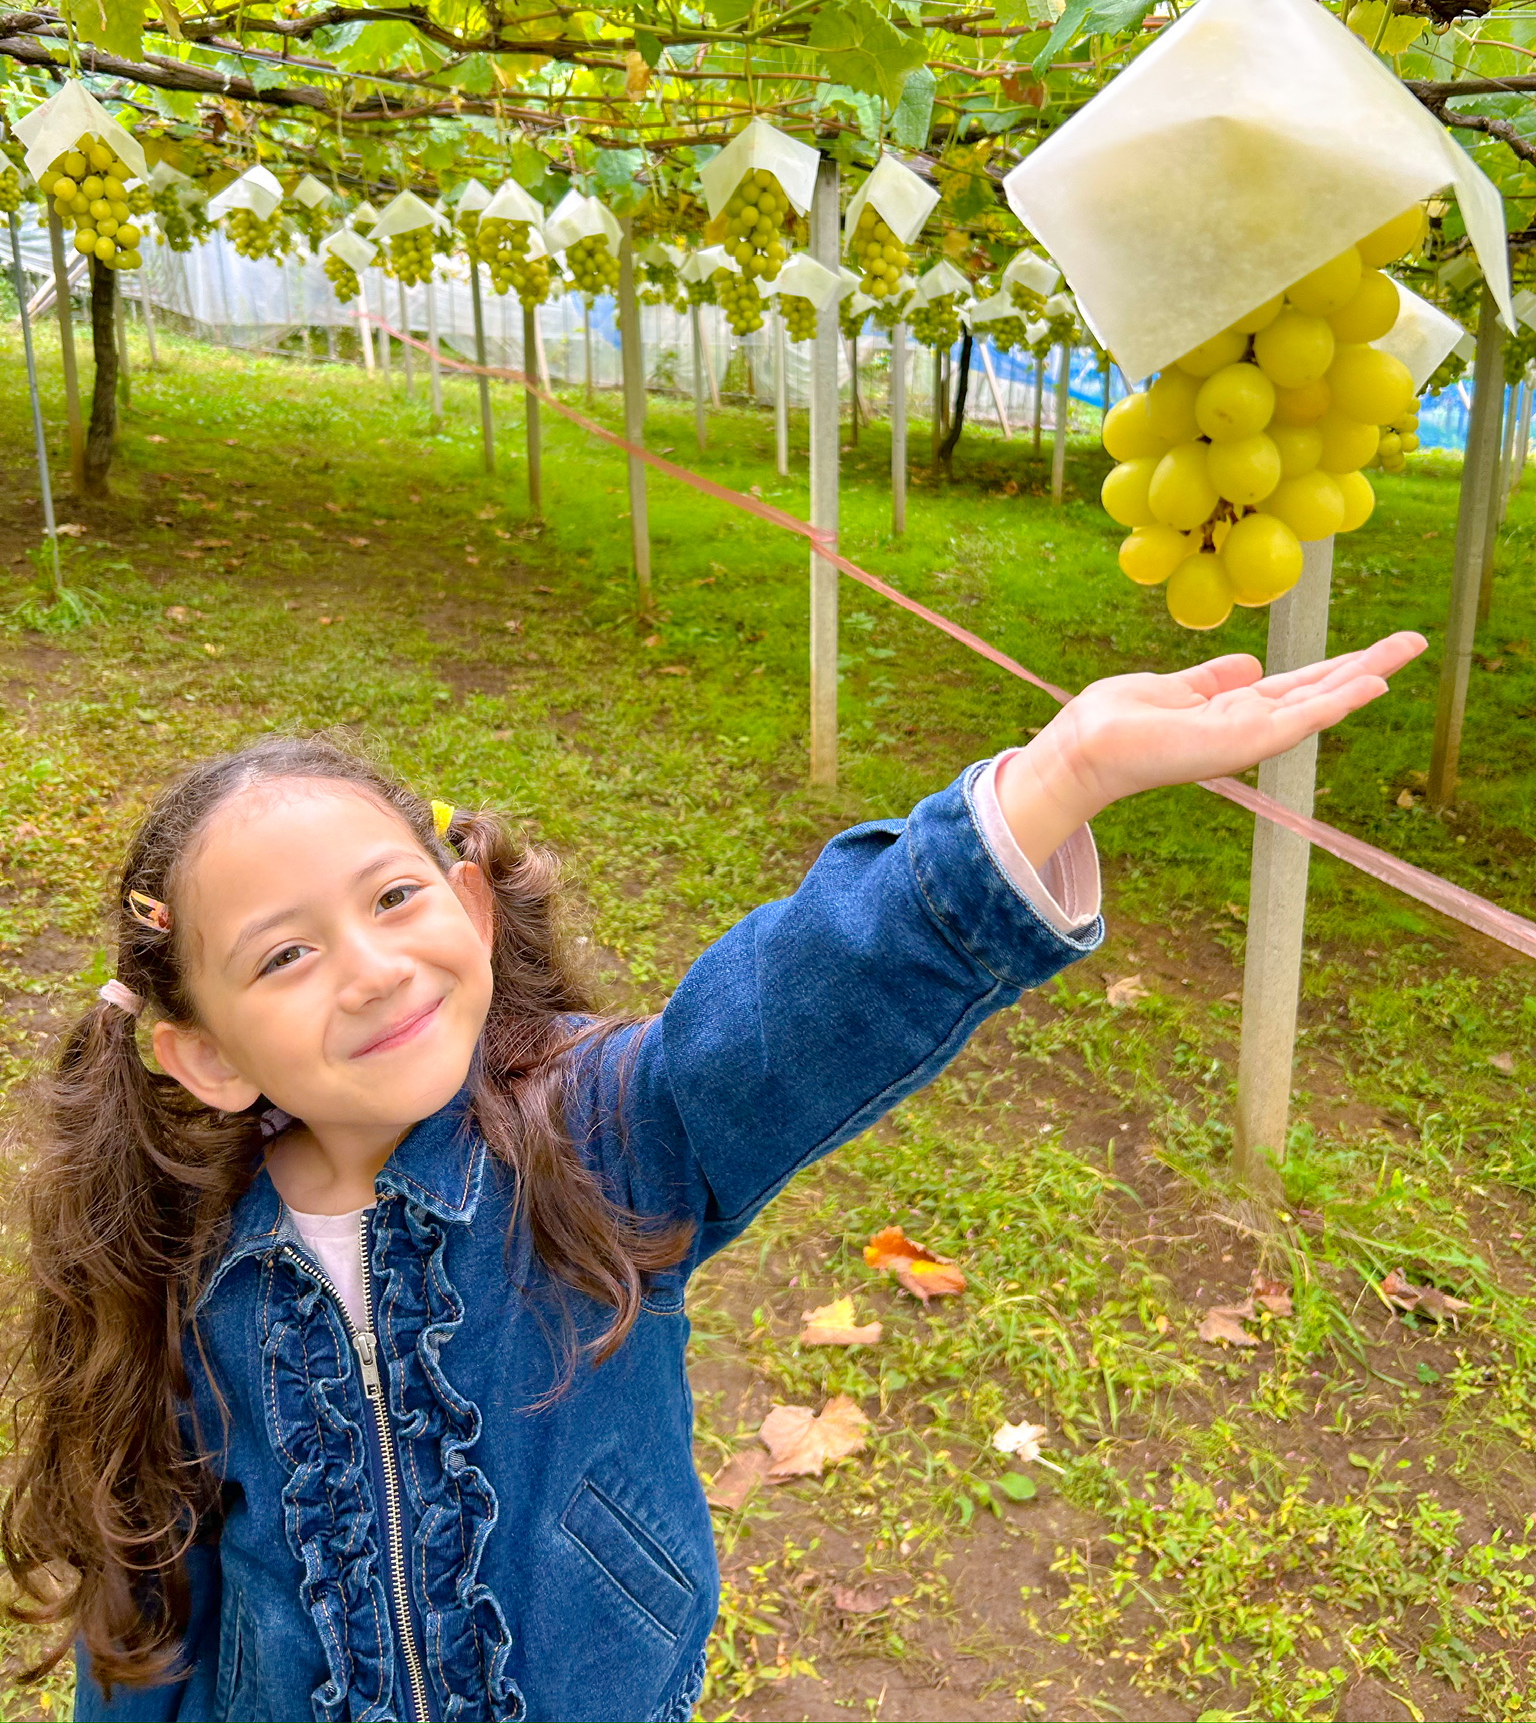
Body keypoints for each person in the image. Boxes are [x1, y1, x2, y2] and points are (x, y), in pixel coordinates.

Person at [4, 631, 1424, 1723]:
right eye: (284, 954)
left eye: (393, 897)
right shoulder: (186, 1263)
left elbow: (791, 1008)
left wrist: (1050, 786)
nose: (371, 967)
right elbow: (150, 1590)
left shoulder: (600, 1133)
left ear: (471, 906)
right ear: (202, 1056)